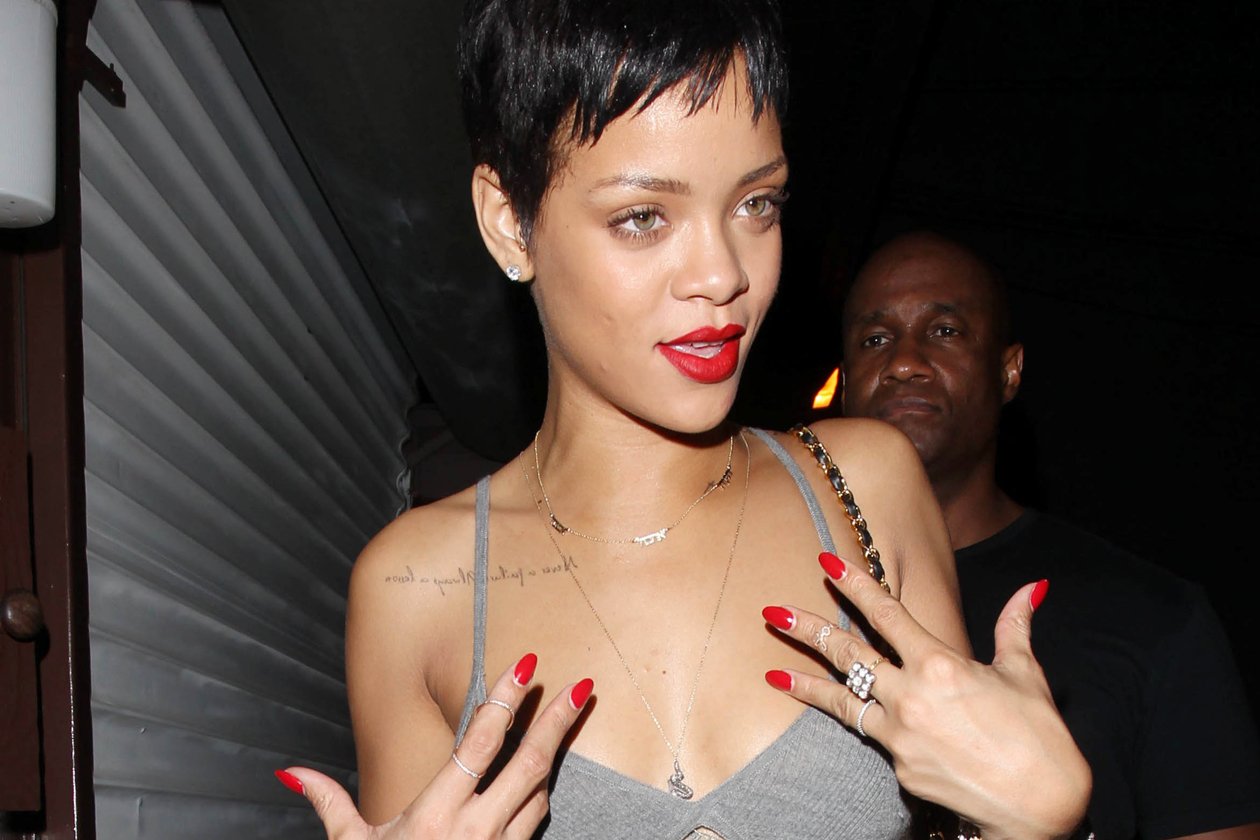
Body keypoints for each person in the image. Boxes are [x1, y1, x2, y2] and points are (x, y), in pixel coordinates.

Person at [272, 3, 1094, 838]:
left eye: (756, 204)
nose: (722, 273)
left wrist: (1036, 823)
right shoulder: (414, 590)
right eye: (643, 217)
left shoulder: (867, 486)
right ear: (509, 221)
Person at [838, 229, 1260, 840]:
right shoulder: (774, 584)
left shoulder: (1153, 616)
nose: (903, 362)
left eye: (944, 331)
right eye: (875, 339)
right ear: (844, 381)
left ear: (1008, 371)